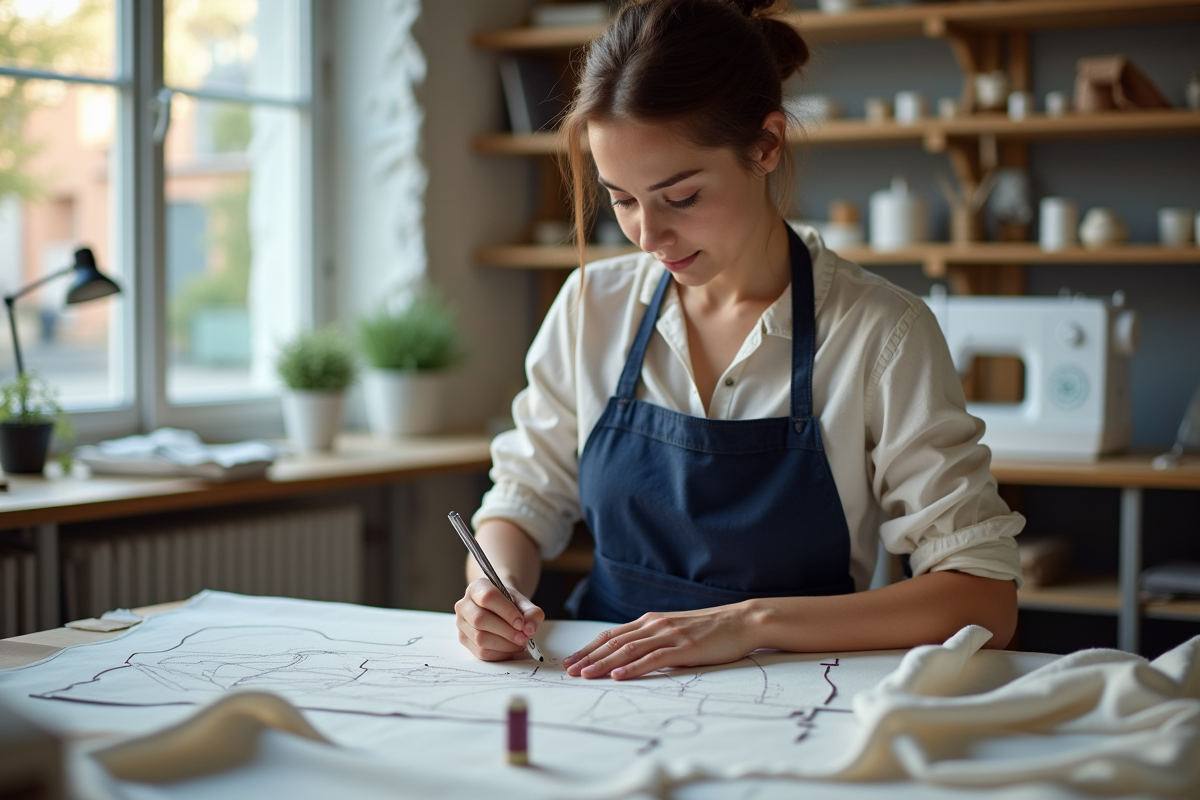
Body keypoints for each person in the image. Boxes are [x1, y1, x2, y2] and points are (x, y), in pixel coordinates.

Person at [455, 0, 1024, 680]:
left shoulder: (881, 333)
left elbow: (985, 598)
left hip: (795, 691)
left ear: (766, 145)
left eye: (681, 197)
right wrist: (492, 587)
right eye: (623, 199)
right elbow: (522, 500)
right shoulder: (591, 307)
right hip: (600, 678)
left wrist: (751, 624)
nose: (647, 236)